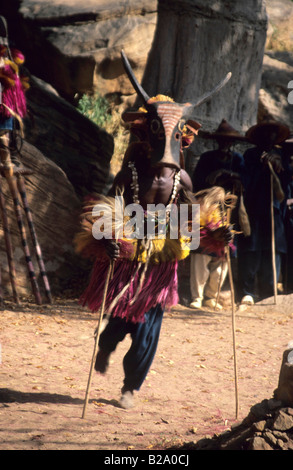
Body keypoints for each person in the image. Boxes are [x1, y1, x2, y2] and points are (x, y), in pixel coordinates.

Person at [189, 119, 247, 310]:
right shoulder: (207, 158)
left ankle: (211, 297)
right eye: (222, 140)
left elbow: (245, 181)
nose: (225, 144)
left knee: (224, 254)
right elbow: (198, 183)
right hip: (207, 211)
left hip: (229, 212)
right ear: (217, 141)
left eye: (228, 141)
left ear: (232, 143)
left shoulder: (238, 159)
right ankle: (197, 297)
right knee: (202, 252)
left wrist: (228, 175)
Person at [237, 120, 292, 304]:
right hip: (254, 210)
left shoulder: (281, 156)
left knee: (272, 249)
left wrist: (279, 167)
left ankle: (269, 291)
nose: (270, 137)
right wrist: (262, 166)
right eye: (267, 133)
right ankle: (248, 292)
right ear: (260, 137)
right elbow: (245, 182)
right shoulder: (250, 155)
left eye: (273, 134)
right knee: (251, 249)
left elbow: (286, 185)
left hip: (274, 212)